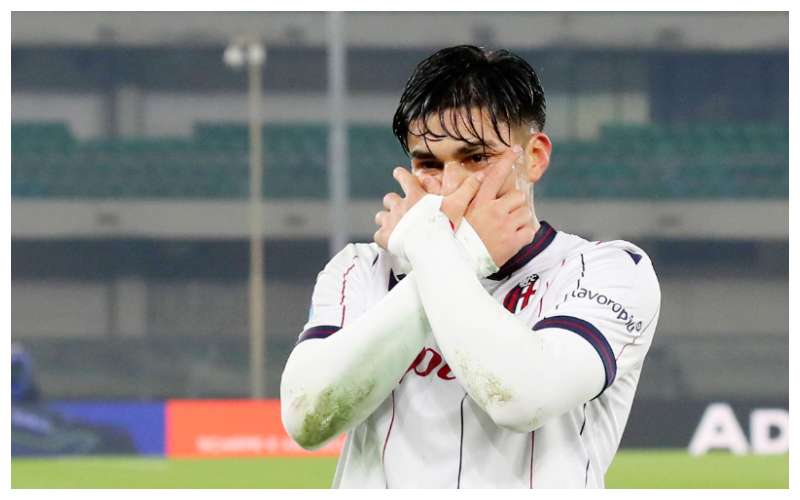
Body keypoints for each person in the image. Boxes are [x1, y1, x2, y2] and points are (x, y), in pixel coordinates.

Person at [280, 45, 660, 488]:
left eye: (477, 158)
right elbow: (308, 419)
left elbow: (520, 399)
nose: (452, 184)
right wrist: (454, 253)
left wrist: (449, 251)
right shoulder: (359, 270)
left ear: (534, 156)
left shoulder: (608, 270)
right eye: (428, 164)